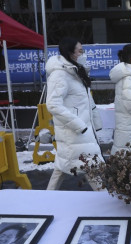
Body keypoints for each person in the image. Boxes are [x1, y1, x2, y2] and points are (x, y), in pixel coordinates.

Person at [45, 37, 104, 190]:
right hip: (75, 132)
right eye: (80, 51)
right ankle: (105, 197)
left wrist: (95, 124)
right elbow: (52, 104)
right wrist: (79, 125)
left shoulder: (74, 72)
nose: (83, 53)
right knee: (89, 166)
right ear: (70, 52)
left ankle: (46, 198)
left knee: (63, 167)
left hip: (79, 132)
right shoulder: (60, 75)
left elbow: (86, 103)